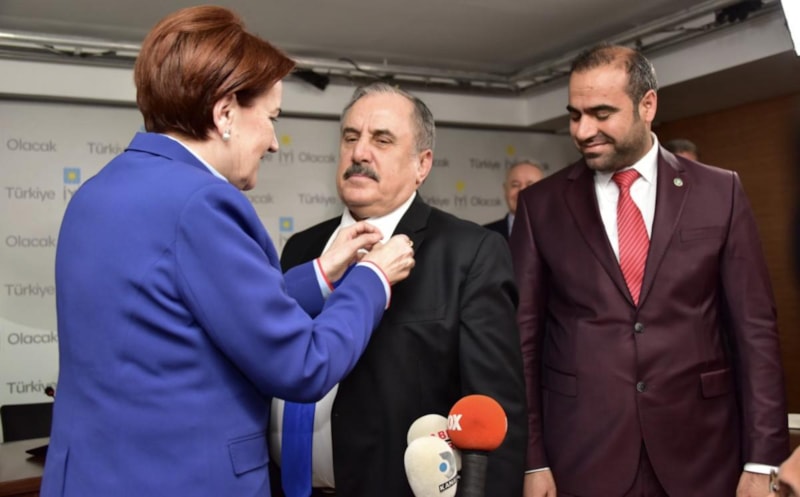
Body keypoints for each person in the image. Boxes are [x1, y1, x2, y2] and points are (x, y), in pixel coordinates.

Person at [40, 7, 415, 497]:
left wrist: (322, 273)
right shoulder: (201, 203)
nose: (274, 143)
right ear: (224, 114)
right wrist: (372, 278)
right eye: (271, 118)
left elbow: (196, 311)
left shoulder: (96, 192)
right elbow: (303, 365)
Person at [510, 44, 788, 497]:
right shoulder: (540, 206)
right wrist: (531, 459)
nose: (583, 130)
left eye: (601, 113)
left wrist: (763, 460)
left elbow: (755, 332)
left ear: (648, 105)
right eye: (575, 115)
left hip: (702, 453)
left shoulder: (720, 192)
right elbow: (523, 341)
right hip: (582, 456)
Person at [268, 82, 527, 497]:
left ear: (422, 164)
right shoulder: (302, 247)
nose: (359, 152)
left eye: (382, 140)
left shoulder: (469, 253)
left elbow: (494, 413)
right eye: (350, 137)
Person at [484, 160, 545, 240]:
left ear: (544, 191)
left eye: (530, 185)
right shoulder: (484, 235)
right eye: (515, 185)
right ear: (505, 190)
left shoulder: (559, 231)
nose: (522, 191)